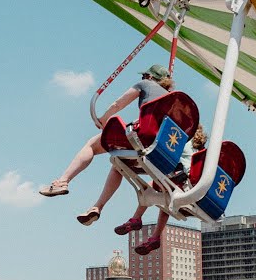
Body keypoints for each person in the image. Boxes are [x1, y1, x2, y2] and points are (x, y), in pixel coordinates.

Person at [41, 64, 175, 227]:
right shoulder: (173, 99)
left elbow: (118, 104)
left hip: (141, 138)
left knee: (91, 145)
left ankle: (62, 181)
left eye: (144, 77)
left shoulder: (146, 85)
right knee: (119, 165)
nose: (143, 79)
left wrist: (103, 119)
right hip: (160, 149)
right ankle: (97, 207)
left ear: (151, 77)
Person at [114, 126, 206, 255]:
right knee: (167, 203)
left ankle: (136, 218)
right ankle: (155, 236)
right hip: (188, 185)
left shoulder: (182, 140)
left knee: (150, 188)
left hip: (181, 181)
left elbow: (165, 157)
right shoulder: (198, 146)